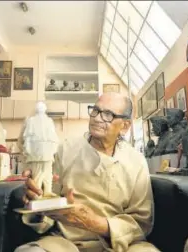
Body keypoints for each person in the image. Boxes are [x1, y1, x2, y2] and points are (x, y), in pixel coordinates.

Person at [16, 92, 157, 252]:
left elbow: (141, 222)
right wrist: (37, 199)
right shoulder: (66, 149)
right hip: (65, 243)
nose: (97, 118)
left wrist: (93, 222)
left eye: (107, 115)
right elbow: (45, 201)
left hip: (120, 245)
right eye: (95, 110)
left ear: (124, 126)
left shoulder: (136, 161)